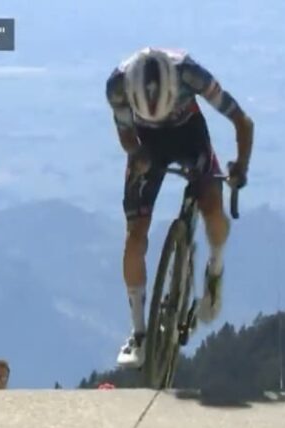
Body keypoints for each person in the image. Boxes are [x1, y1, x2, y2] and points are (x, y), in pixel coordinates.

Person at [106, 47, 253, 368]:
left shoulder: (190, 73)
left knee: (212, 208)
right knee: (135, 236)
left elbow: (242, 121)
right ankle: (138, 333)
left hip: (190, 135)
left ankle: (214, 270)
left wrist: (240, 166)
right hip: (147, 142)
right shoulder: (118, 84)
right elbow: (127, 137)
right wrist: (138, 155)